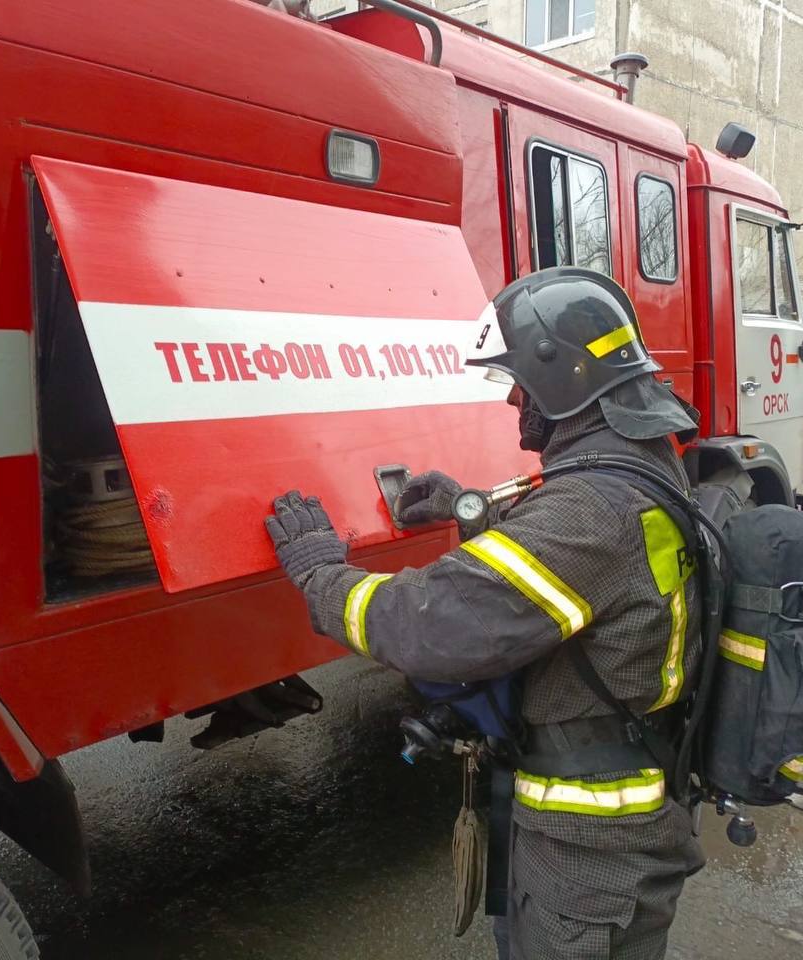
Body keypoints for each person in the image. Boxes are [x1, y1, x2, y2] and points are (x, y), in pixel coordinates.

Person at [264, 267, 706, 960]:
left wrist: (321, 575)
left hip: (589, 856)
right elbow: (574, 575)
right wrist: (471, 510)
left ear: (563, 378)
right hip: (613, 823)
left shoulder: (591, 512)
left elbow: (432, 625)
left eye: (519, 382)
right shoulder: (640, 464)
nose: (512, 400)